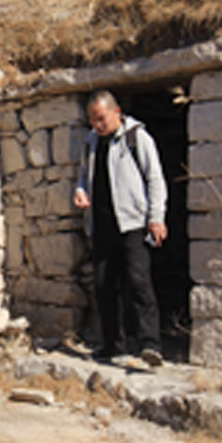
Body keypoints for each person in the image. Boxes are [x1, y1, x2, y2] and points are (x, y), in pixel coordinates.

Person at [74, 90, 167, 367]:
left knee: (139, 283)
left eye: (101, 118)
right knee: (104, 286)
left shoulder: (137, 138)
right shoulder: (90, 142)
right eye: (92, 119)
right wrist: (81, 191)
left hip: (133, 223)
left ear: (116, 113)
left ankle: (150, 345)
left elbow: (155, 179)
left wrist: (156, 217)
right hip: (102, 225)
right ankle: (113, 345)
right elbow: (83, 176)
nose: (97, 124)